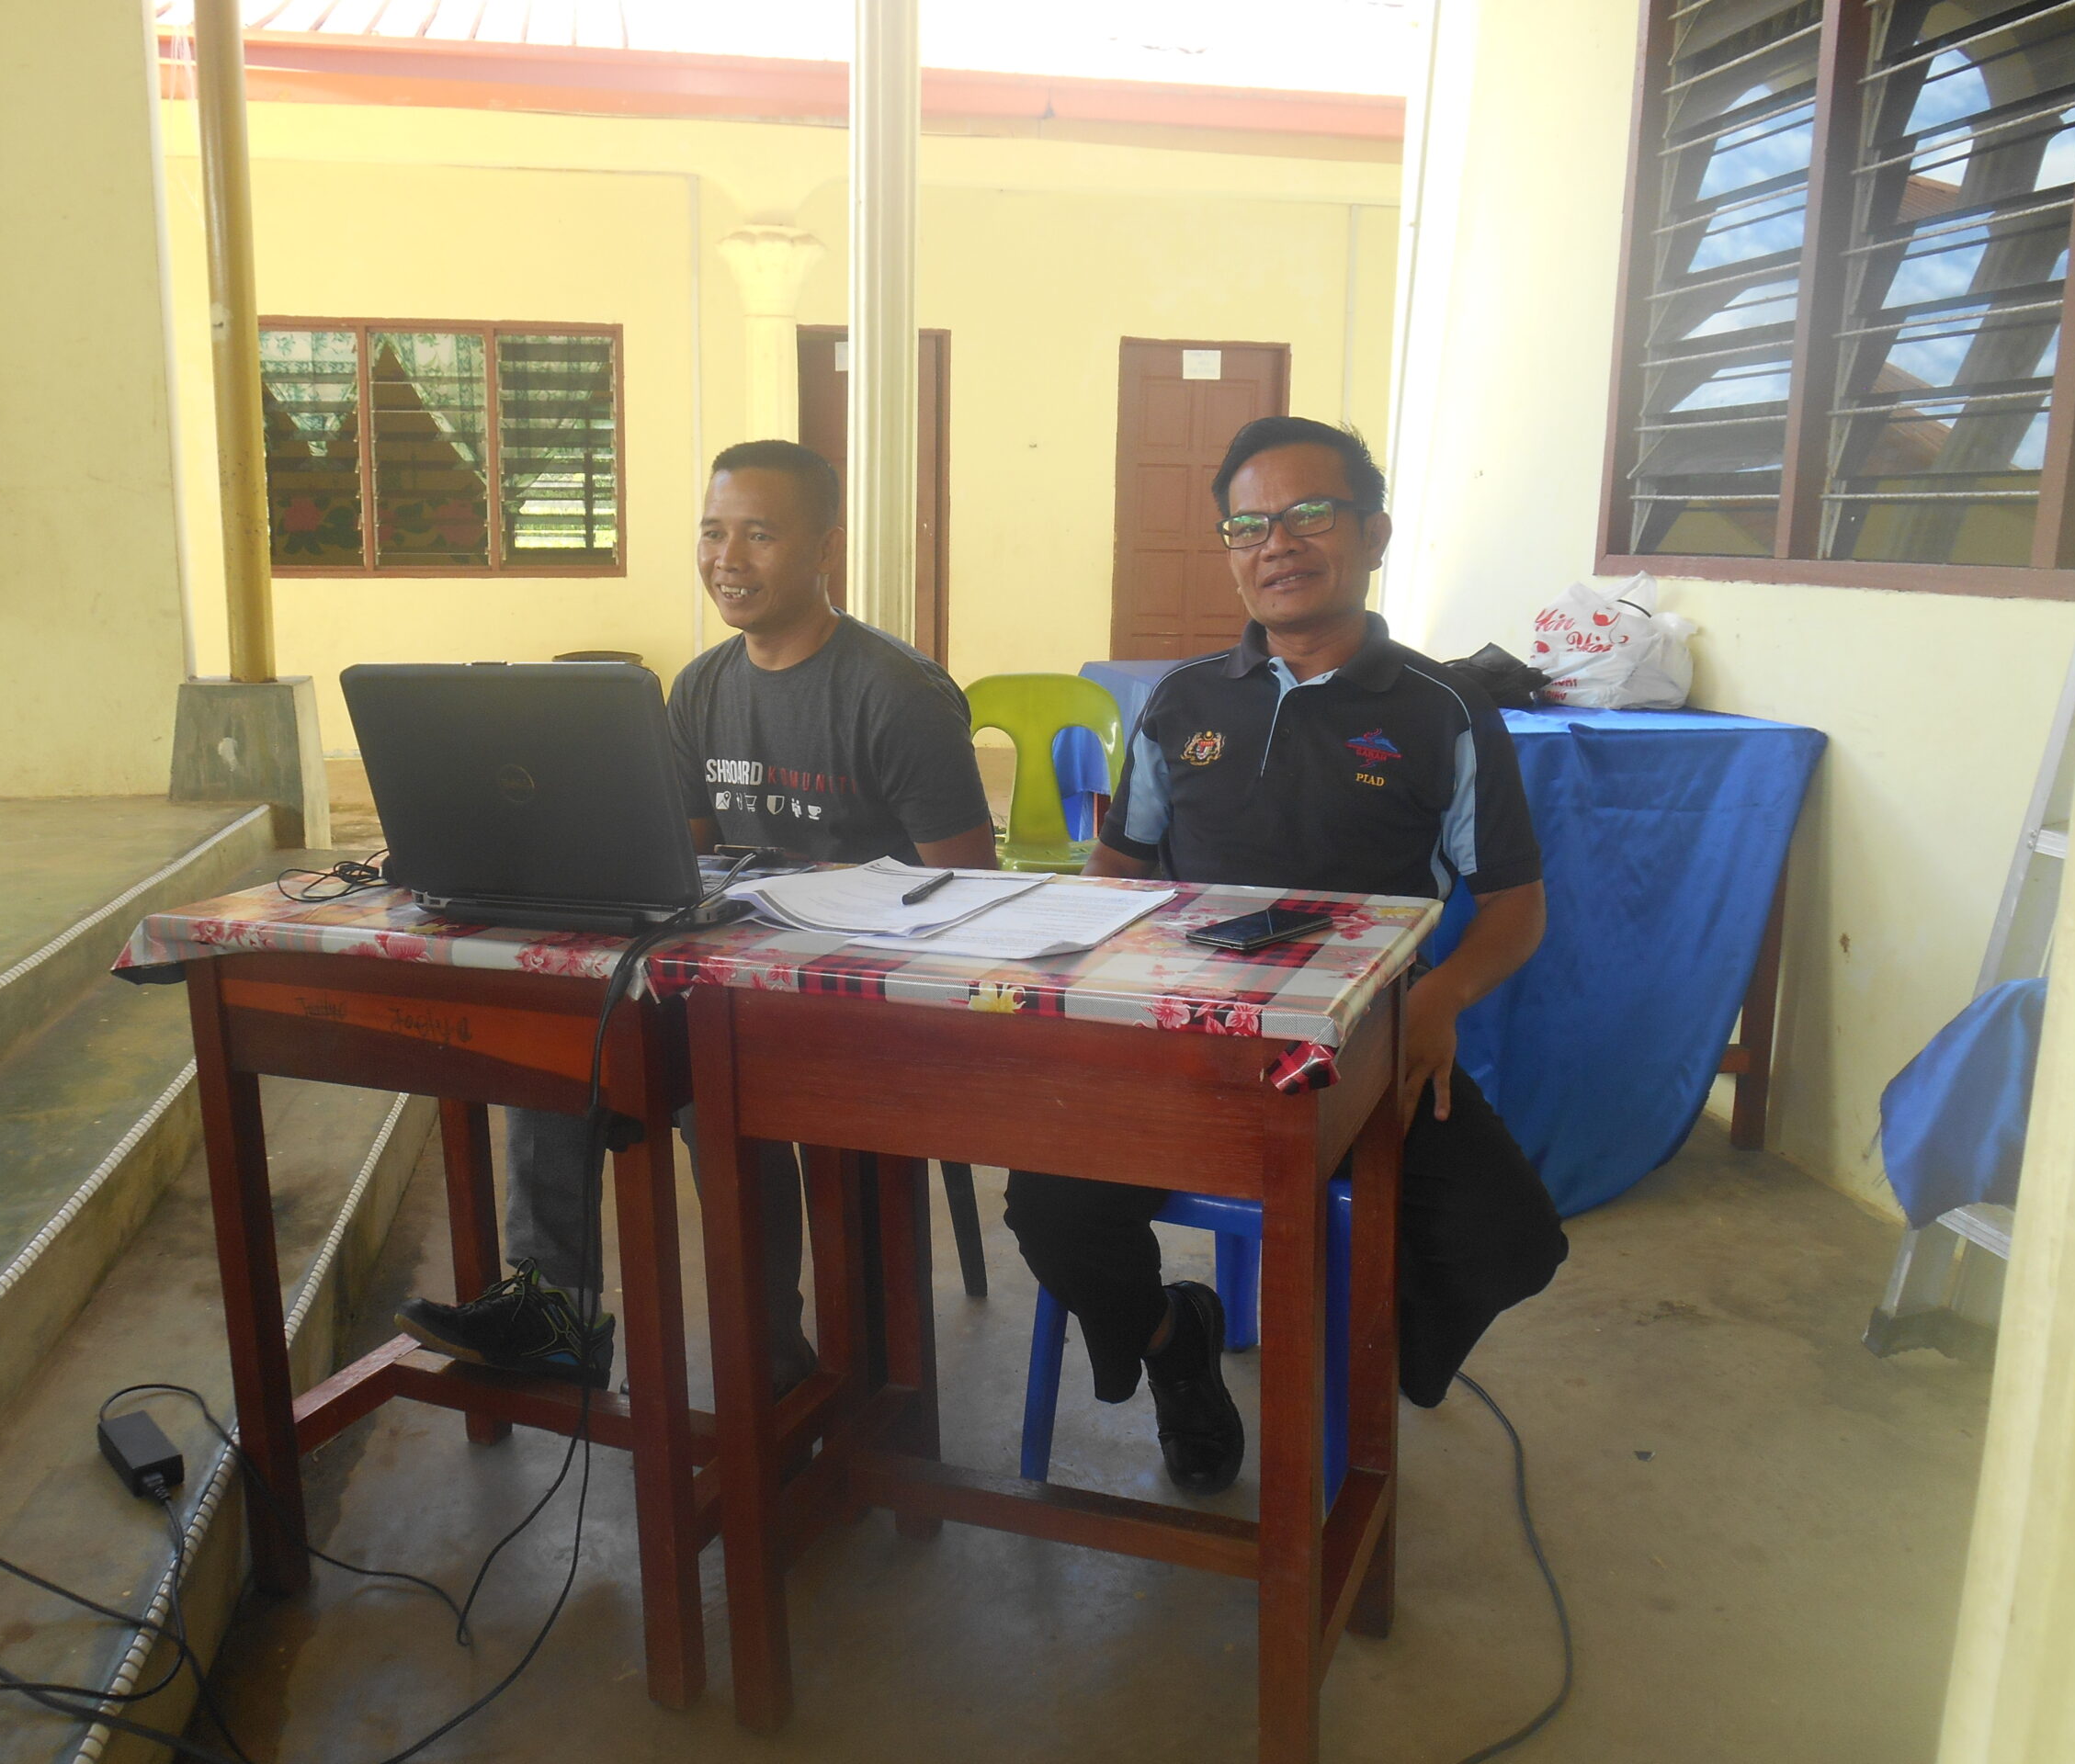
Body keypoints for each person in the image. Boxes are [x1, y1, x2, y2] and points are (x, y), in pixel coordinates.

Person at [1003, 415, 1568, 1496]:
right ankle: (1175, 1346)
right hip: (1181, 1042)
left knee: (1506, 1239)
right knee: (1052, 1205)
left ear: (1373, 534)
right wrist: (1084, 974)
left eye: (1309, 514)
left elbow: (1514, 904)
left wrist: (1441, 998)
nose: (1277, 544)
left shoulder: (1441, 712)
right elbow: (1120, 864)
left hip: (1364, 1053)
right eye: (1248, 525)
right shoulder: (1181, 703)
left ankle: (1361, 1367)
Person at [399, 440, 996, 1392]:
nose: (728, 559)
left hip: (858, 1000)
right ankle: (553, 1315)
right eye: (714, 533)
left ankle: (778, 1367)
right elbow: (677, 861)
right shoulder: (702, 686)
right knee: (565, 1038)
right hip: (728, 983)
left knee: (721, 1099)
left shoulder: (894, 694)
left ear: (824, 548)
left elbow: (971, 891)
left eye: (760, 534)